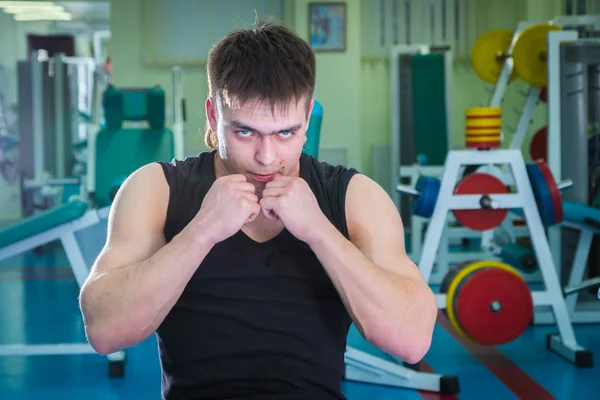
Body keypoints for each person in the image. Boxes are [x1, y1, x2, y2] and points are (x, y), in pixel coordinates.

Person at [79, 19, 438, 400]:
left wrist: (319, 230)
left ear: (306, 121)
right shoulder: (158, 188)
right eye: (245, 132)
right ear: (214, 117)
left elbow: (412, 340)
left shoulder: (352, 197)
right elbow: (104, 331)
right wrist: (202, 232)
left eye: (285, 133)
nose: (267, 158)